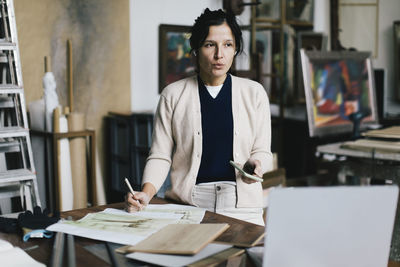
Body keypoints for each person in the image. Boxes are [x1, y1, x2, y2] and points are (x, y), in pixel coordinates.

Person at [125, 8, 272, 226]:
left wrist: (257, 165)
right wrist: (146, 193)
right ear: (196, 49)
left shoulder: (255, 93)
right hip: (188, 206)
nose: (219, 54)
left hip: (242, 206)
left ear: (236, 49)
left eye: (228, 45)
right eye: (210, 44)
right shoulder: (173, 95)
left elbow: (263, 151)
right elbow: (160, 155)